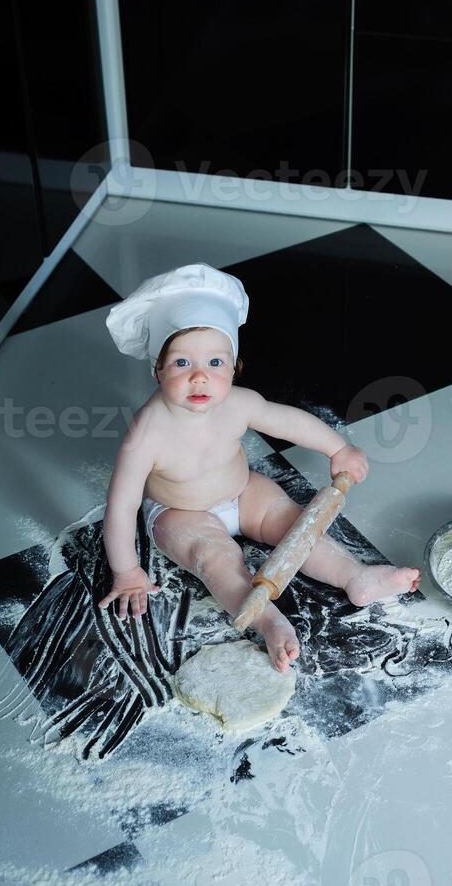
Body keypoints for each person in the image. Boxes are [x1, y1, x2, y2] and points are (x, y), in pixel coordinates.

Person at [99, 264, 421, 673]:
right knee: (214, 558)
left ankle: (354, 577)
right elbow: (122, 506)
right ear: (156, 370)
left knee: (296, 524)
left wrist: (337, 448)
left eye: (215, 362)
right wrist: (126, 571)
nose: (200, 376)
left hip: (242, 490)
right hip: (180, 512)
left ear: (234, 367)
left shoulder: (238, 402)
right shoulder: (146, 435)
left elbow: (287, 420)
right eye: (181, 363)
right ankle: (266, 619)